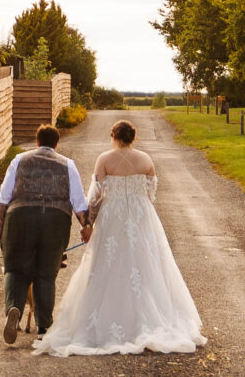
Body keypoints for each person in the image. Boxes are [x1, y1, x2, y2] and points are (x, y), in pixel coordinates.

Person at [33, 119, 205, 356]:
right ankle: (149, 317)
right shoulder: (146, 160)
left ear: (114, 136)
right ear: (132, 137)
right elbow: (150, 193)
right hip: (141, 216)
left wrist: (88, 224)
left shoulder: (104, 159)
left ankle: (106, 320)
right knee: (146, 264)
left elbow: (95, 198)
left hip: (112, 217)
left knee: (108, 264)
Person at [0, 124, 90, 344]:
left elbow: (4, 196)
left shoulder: (19, 160)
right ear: (57, 144)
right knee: (46, 275)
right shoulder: (67, 164)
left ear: (37, 141)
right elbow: (78, 200)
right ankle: (43, 327)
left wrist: (0, 226)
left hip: (20, 216)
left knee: (15, 270)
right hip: (55, 220)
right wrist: (85, 226)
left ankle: (14, 310)